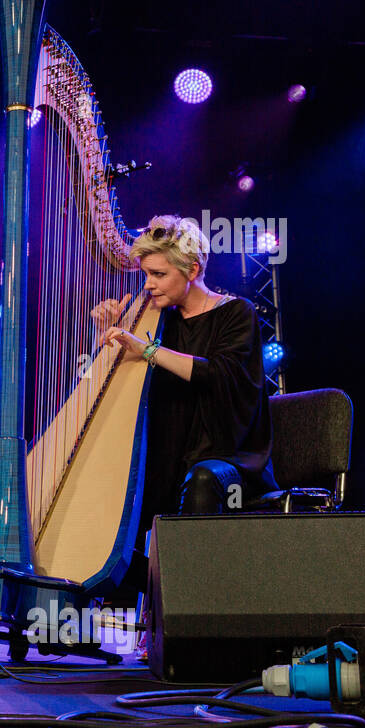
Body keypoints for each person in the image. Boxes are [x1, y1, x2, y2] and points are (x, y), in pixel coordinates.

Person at [93, 214, 276, 599]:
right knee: (111, 486)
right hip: (169, 451)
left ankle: (191, 613)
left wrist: (146, 349)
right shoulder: (157, 322)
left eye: (158, 274)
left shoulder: (236, 313)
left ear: (192, 269)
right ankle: (123, 611)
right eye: (146, 274)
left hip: (227, 452)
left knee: (202, 479)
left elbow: (218, 376)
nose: (148, 284)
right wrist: (106, 333)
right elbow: (107, 385)